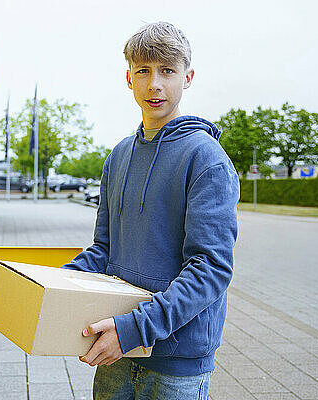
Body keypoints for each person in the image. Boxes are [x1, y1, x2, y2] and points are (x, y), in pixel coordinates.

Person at [62, 21, 239, 399]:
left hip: (176, 360)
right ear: (129, 78)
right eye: (143, 70)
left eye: (167, 71)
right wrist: (59, 286)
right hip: (116, 351)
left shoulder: (206, 160)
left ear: (187, 77)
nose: (154, 84)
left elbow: (211, 268)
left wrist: (133, 331)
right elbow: (104, 250)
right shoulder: (119, 156)